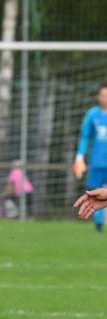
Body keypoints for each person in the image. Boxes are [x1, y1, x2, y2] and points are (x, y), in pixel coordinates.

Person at [72, 84, 107, 232]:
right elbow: (85, 137)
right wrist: (79, 157)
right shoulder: (92, 114)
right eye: (103, 95)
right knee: (95, 193)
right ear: (98, 97)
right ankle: (98, 223)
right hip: (97, 162)